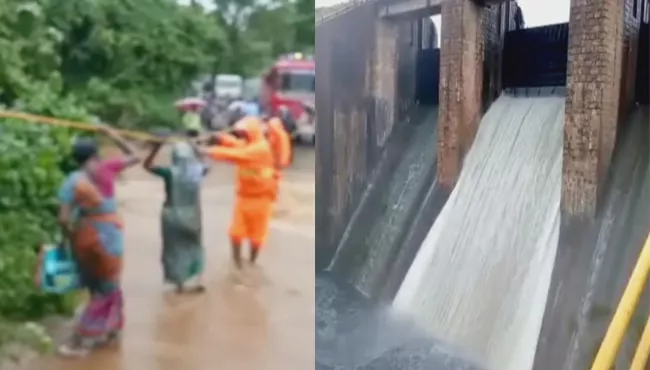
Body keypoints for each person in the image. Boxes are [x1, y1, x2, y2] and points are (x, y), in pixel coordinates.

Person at [56, 126, 139, 357]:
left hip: (83, 237)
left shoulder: (71, 182)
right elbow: (135, 155)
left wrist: (68, 239)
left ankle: (108, 332)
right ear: (95, 156)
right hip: (108, 237)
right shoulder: (107, 168)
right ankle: (79, 340)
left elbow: (63, 218)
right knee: (109, 287)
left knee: (95, 287)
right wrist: (113, 134)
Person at [198, 117, 275, 268]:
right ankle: (236, 264)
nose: (242, 136)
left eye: (244, 133)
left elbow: (237, 154)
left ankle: (252, 263)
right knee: (235, 233)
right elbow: (236, 145)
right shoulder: (250, 144)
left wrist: (208, 151)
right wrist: (220, 138)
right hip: (244, 197)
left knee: (257, 236)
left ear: (252, 133)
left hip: (261, 199)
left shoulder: (261, 148)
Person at [143, 139, 209, 293]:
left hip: (171, 216)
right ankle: (196, 281)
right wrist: (197, 149)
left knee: (173, 251)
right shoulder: (198, 171)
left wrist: (155, 148)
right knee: (195, 248)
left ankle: (179, 285)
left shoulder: (170, 173)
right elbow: (208, 164)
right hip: (193, 217)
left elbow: (147, 166)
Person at [265, 117, 292, 201]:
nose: (269, 127)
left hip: (276, 161)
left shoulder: (279, 135)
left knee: (273, 178)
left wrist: (282, 161)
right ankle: (271, 195)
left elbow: (284, 149)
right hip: (273, 161)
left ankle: (272, 196)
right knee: (272, 178)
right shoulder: (277, 134)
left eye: (270, 126)